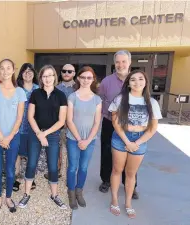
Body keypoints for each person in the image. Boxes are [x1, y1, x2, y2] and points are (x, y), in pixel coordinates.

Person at [109, 70, 162, 218]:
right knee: (117, 170)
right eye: (133, 79)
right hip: (121, 138)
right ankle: (114, 199)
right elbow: (115, 122)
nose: (137, 82)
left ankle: (127, 203)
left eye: (140, 79)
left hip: (140, 139)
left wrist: (136, 142)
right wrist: (127, 141)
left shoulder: (152, 102)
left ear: (146, 82)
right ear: (128, 83)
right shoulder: (120, 99)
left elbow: (152, 128)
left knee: (131, 174)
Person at [18, 65, 68, 210]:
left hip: (52, 135)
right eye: (44, 76)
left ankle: (55, 195)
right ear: (40, 78)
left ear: (54, 77)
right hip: (35, 133)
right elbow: (30, 116)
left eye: (50, 75)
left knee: (53, 166)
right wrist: (39, 134)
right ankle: (26, 194)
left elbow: (61, 121)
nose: (47, 79)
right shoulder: (35, 94)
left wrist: (44, 134)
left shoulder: (61, 95)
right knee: (31, 164)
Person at [99, 50, 139, 200]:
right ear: (114, 63)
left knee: (132, 153)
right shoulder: (106, 82)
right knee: (107, 151)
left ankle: (130, 185)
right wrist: (105, 115)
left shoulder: (137, 80)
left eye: (123, 61)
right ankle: (105, 180)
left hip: (132, 126)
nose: (120, 65)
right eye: (118, 62)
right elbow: (101, 100)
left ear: (129, 62)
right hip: (109, 122)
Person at [0, 59, 26, 214]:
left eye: (8, 68)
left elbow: (19, 117)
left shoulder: (20, 92)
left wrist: (9, 137)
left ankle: (8, 197)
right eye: (2, 68)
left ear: (13, 70)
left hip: (13, 137)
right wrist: (1, 136)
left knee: (10, 169)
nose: (5, 71)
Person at [66, 66, 102, 209]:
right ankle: (71, 192)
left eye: (89, 77)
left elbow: (97, 122)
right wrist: (80, 139)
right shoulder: (72, 97)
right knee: (72, 167)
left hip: (90, 140)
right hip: (73, 139)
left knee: (83, 167)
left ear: (93, 79)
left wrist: (87, 140)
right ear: (78, 78)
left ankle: (79, 191)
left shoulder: (97, 100)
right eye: (83, 77)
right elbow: (69, 120)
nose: (86, 80)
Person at [13, 63, 39, 192]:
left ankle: (30, 177)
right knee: (17, 154)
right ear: (21, 74)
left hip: (34, 128)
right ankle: (16, 179)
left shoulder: (39, 89)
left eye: (30, 71)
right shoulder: (16, 89)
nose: (27, 73)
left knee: (31, 154)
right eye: (25, 71)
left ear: (34, 73)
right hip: (18, 127)